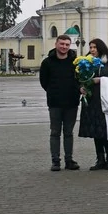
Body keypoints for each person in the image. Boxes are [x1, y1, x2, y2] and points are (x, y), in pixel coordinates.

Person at [39, 34, 82, 171]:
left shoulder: (75, 61)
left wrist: (78, 90)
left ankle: (69, 160)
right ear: (56, 44)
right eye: (62, 44)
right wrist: (53, 92)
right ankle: (55, 161)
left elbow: (79, 79)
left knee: (69, 132)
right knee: (55, 132)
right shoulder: (47, 62)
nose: (64, 47)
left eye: (67, 44)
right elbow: (43, 81)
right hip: (55, 103)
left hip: (72, 102)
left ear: (70, 46)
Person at [77, 39, 108, 170]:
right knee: (96, 131)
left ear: (101, 48)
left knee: (106, 130)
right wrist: (82, 87)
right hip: (91, 100)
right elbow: (81, 78)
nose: (92, 49)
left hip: (104, 101)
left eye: (95, 47)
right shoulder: (86, 63)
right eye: (90, 47)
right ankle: (99, 158)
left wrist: (101, 80)